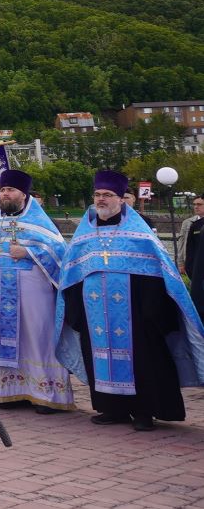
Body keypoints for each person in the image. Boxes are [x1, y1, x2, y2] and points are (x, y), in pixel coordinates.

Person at [57, 170, 204, 431]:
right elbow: (71, 276)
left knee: (143, 361)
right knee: (99, 357)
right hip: (95, 313)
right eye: (97, 195)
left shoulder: (140, 234)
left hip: (135, 313)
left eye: (107, 195)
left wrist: (150, 311)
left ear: (121, 199)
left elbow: (160, 274)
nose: (101, 199)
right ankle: (113, 409)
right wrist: (75, 310)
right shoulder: (83, 235)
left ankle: (144, 412)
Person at [0, 169, 72, 413]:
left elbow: (61, 254)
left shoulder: (41, 223)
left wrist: (28, 252)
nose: (5, 194)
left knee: (36, 338)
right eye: (3, 190)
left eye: (10, 190)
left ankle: (45, 393)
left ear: (24, 195)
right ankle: (5, 391)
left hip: (33, 295)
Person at [184, 194, 204, 321]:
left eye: (199, 204)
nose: (196, 207)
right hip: (199, 271)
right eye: (194, 204)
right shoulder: (195, 225)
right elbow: (189, 250)